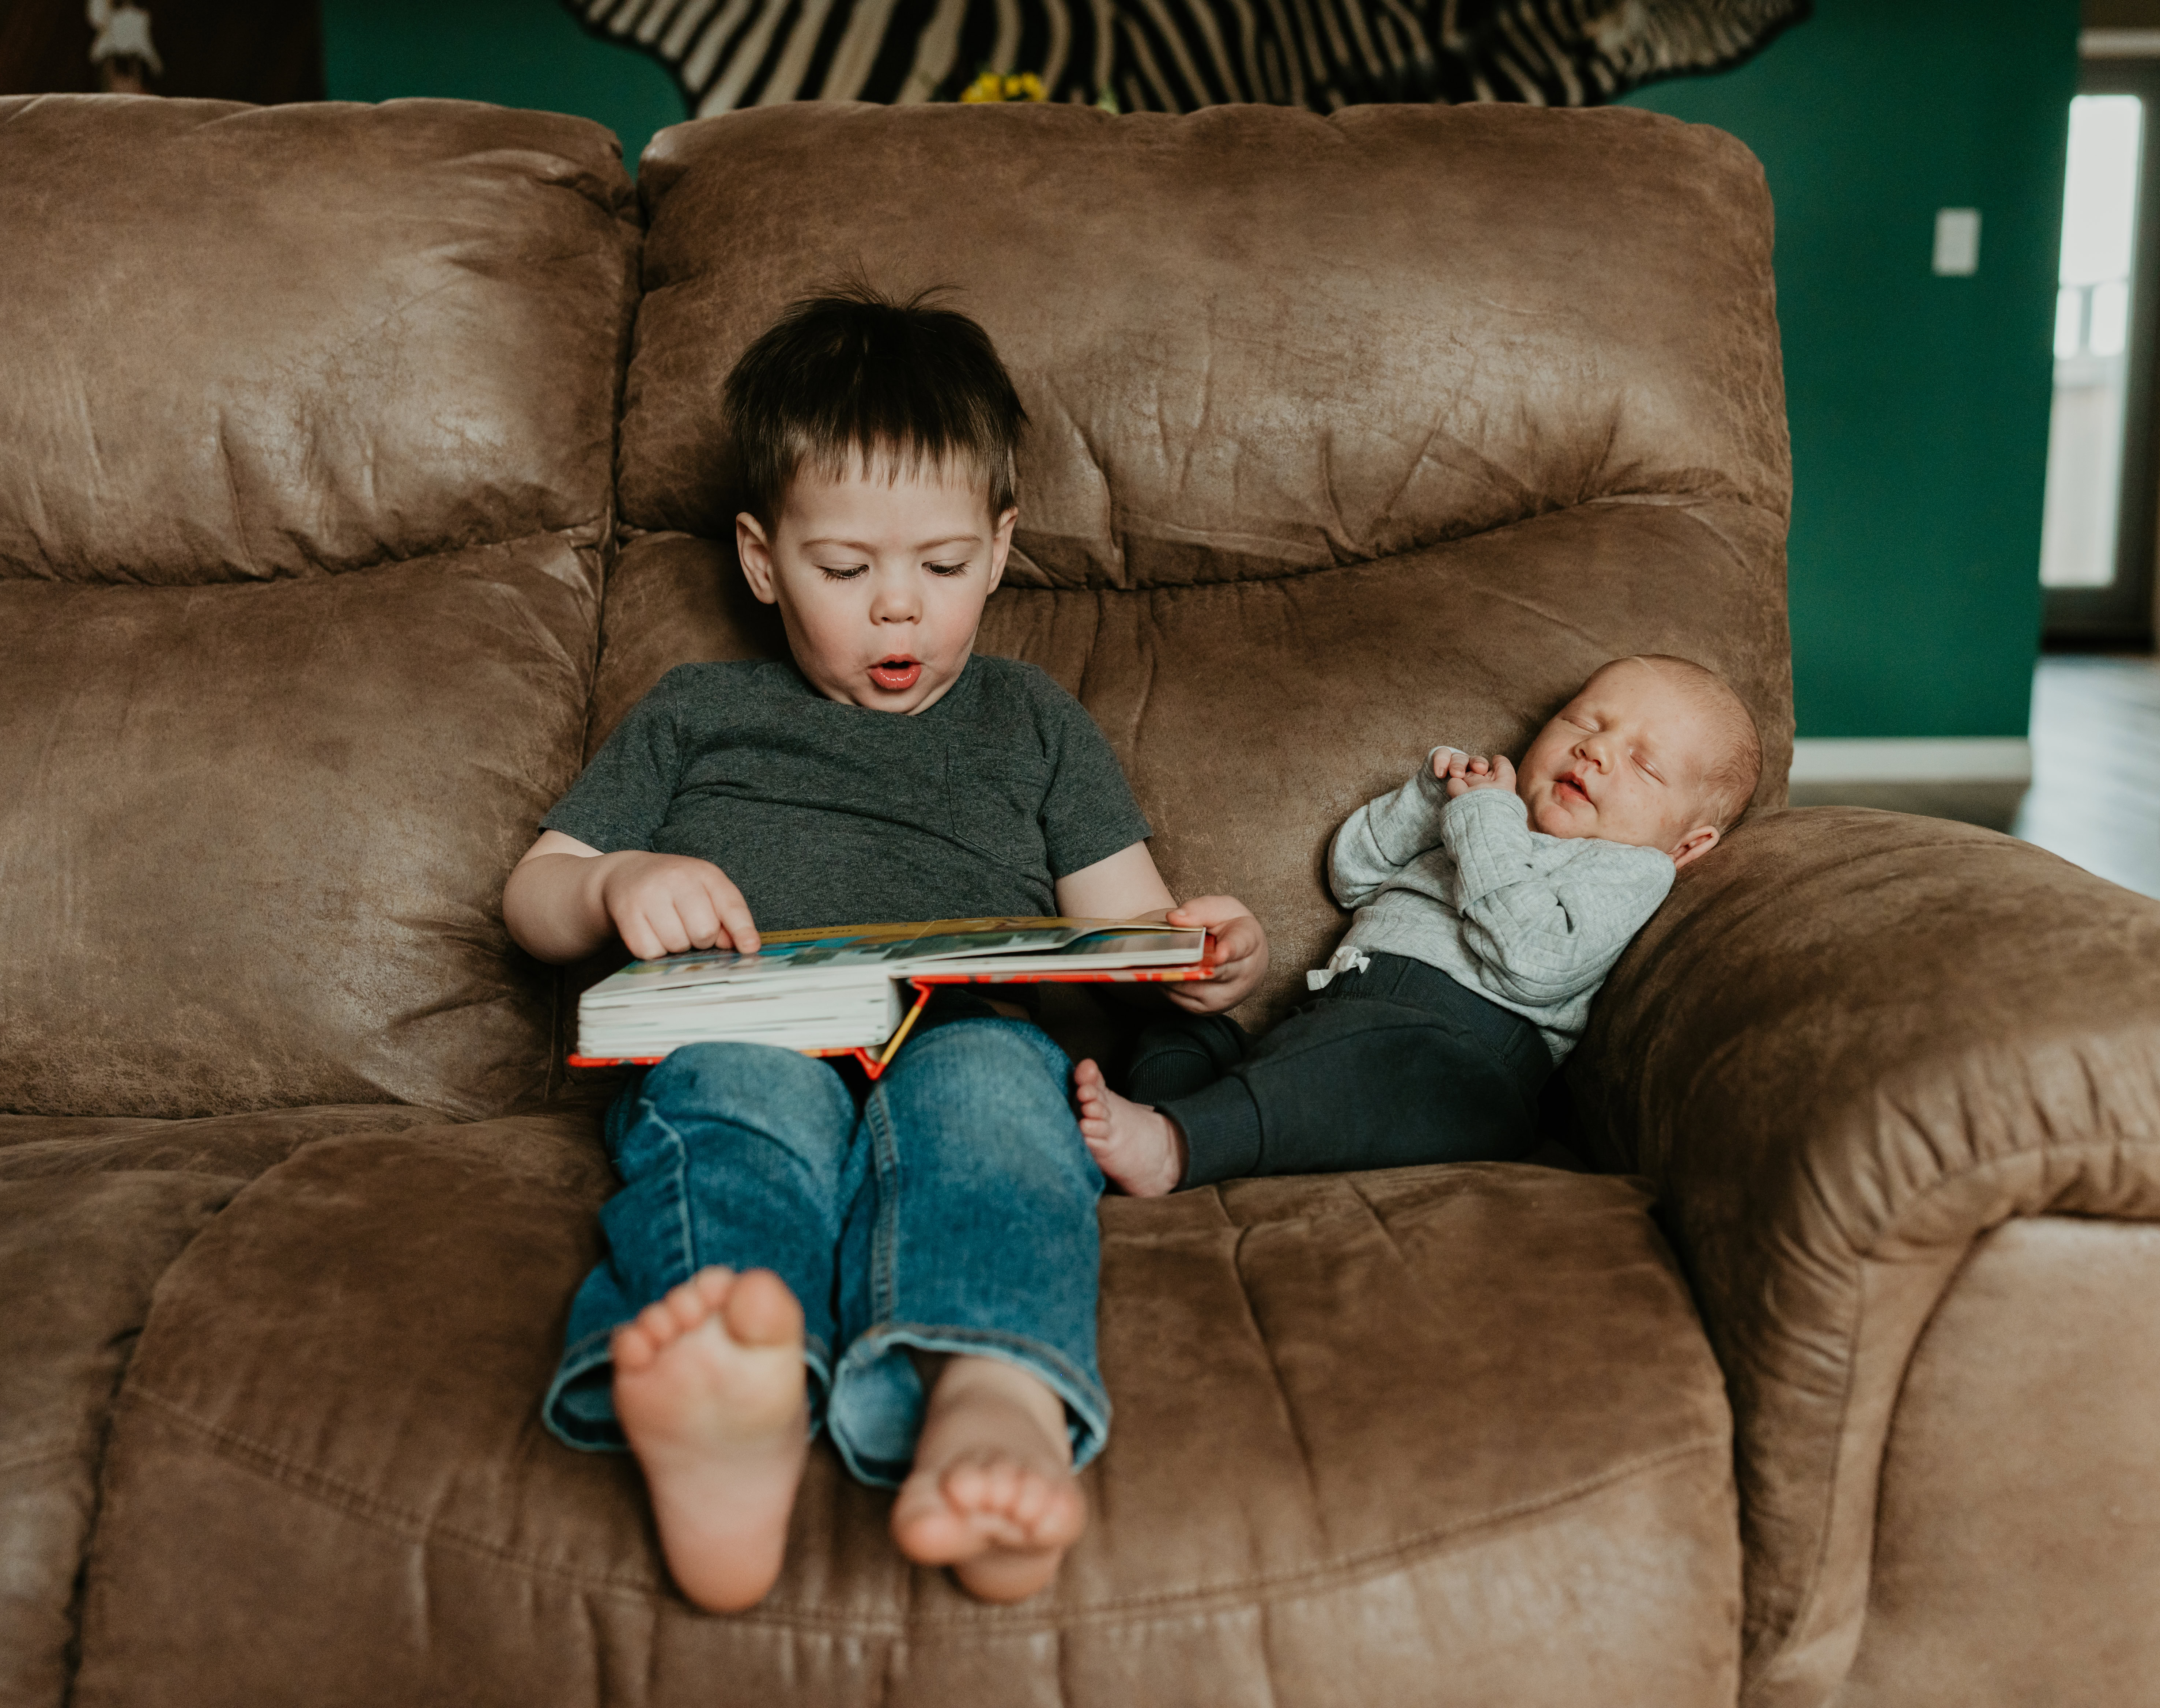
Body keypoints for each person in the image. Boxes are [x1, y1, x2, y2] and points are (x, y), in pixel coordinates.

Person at [502, 286, 1269, 1613]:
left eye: (942, 567)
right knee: (736, 1107)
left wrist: (1197, 951)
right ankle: (733, 1405)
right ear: (760, 559)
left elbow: (1131, 927)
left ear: (1002, 546)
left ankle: (994, 1400)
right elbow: (534, 893)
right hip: (748, 1025)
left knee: (988, 1113)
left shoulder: (1031, 722)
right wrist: (617, 879)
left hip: (966, 1036)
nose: (896, 614)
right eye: (845, 572)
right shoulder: (697, 714)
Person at [1073, 655, 1758, 1197]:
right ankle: (1184, 1117)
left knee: (1370, 1056)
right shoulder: (1479, 810)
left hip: (1461, 1064)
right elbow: (1351, 875)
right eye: (1583, 724)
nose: (1596, 752)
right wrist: (1427, 800)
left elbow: (1534, 957)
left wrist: (1483, 820)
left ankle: (1179, 1146)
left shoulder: (1628, 869)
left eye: (1642, 763)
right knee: (1175, 1024)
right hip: (1333, 1026)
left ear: (1688, 845)